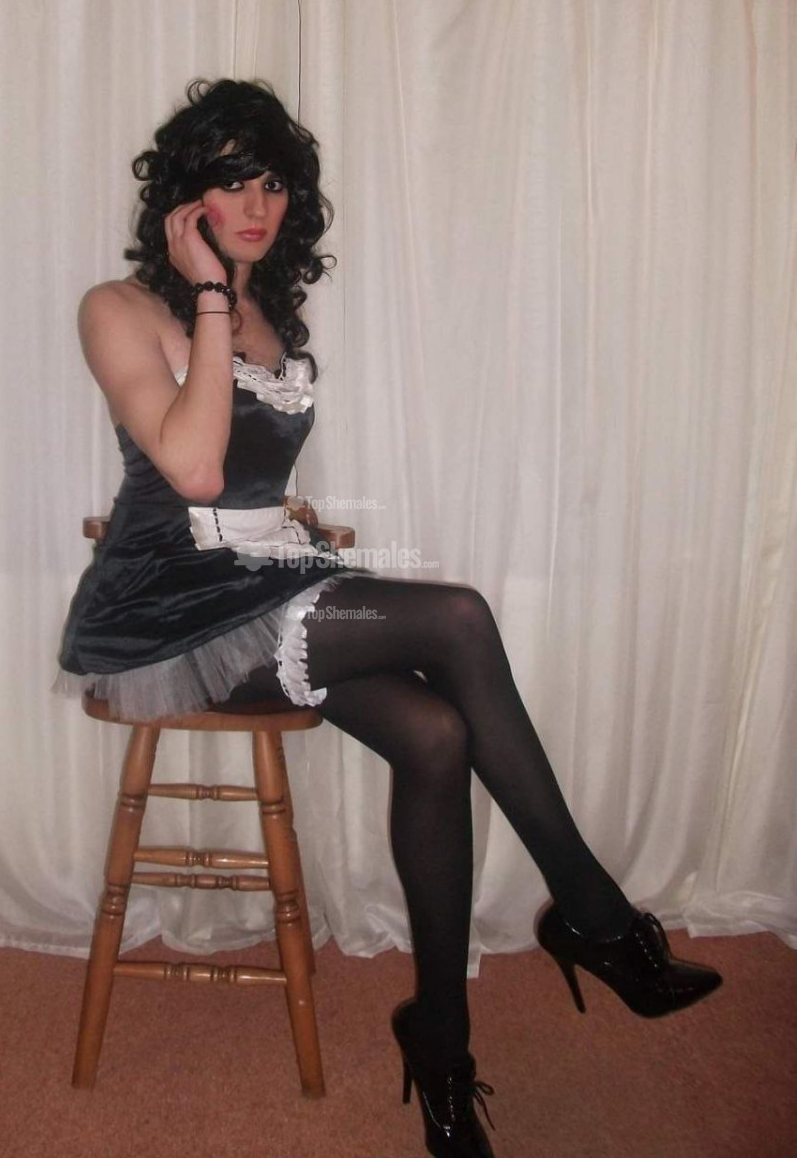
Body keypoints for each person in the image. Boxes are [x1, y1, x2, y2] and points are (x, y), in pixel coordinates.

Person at [57, 78, 721, 1158]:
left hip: (268, 581)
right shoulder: (119, 308)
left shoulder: (269, 314)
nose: (258, 204)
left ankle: (442, 1048)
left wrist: (289, 512)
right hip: (170, 608)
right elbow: (195, 470)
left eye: (275, 183)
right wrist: (211, 297)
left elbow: (253, 484)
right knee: (456, 617)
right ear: (186, 196)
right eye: (233, 180)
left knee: (437, 734)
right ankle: (597, 917)